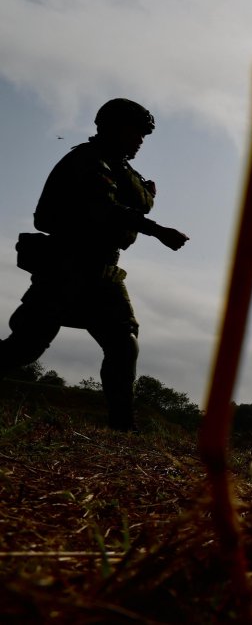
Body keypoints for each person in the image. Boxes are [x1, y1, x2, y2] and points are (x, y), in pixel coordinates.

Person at [0, 98, 189, 430]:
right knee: (26, 346)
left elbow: (137, 198)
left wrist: (146, 196)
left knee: (122, 341)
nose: (139, 141)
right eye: (135, 133)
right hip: (66, 267)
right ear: (112, 128)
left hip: (103, 272)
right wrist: (157, 230)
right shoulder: (86, 162)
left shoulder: (119, 168)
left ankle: (122, 425)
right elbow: (105, 209)